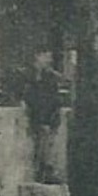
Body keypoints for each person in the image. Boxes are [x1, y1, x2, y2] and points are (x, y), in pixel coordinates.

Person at [24, 50, 64, 184]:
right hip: (38, 115)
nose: (49, 60)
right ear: (37, 56)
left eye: (50, 57)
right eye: (46, 56)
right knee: (42, 143)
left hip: (49, 115)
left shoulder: (50, 76)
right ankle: (42, 171)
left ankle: (46, 170)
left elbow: (53, 97)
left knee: (48, 143)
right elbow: (30, 95)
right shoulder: (29, 74)